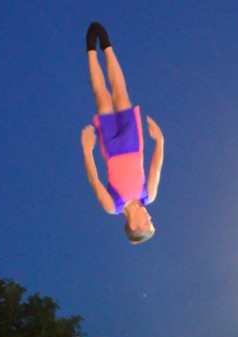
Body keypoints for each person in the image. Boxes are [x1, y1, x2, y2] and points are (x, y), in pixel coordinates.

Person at [81, 21, 165, 244]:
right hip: (133, 144)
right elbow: (155, 168)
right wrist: (160, 141)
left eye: (148, 223)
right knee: (120, 94)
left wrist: (86, 149)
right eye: (151, 221)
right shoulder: (149, 196)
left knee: (103, 98)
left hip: (111, 148)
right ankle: (107, 46)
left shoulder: (113, 206)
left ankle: (90, 50)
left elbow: (94, 180)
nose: (149, 218)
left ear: (135, 226)